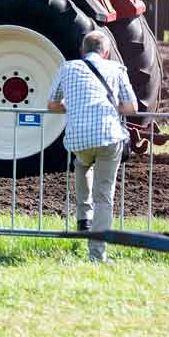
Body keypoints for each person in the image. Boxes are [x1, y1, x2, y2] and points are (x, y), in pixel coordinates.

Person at [47, 28, 137, 262]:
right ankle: (97, 254)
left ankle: (83, 217)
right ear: (106, 53)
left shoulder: (68, 68)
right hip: (109, 136)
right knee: (104, 196)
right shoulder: (116, 69)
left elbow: (52, 104)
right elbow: (132, 108)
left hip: (79, 138)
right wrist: (111, 106)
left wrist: (75, 105)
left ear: (81, 51)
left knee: (82, 163)